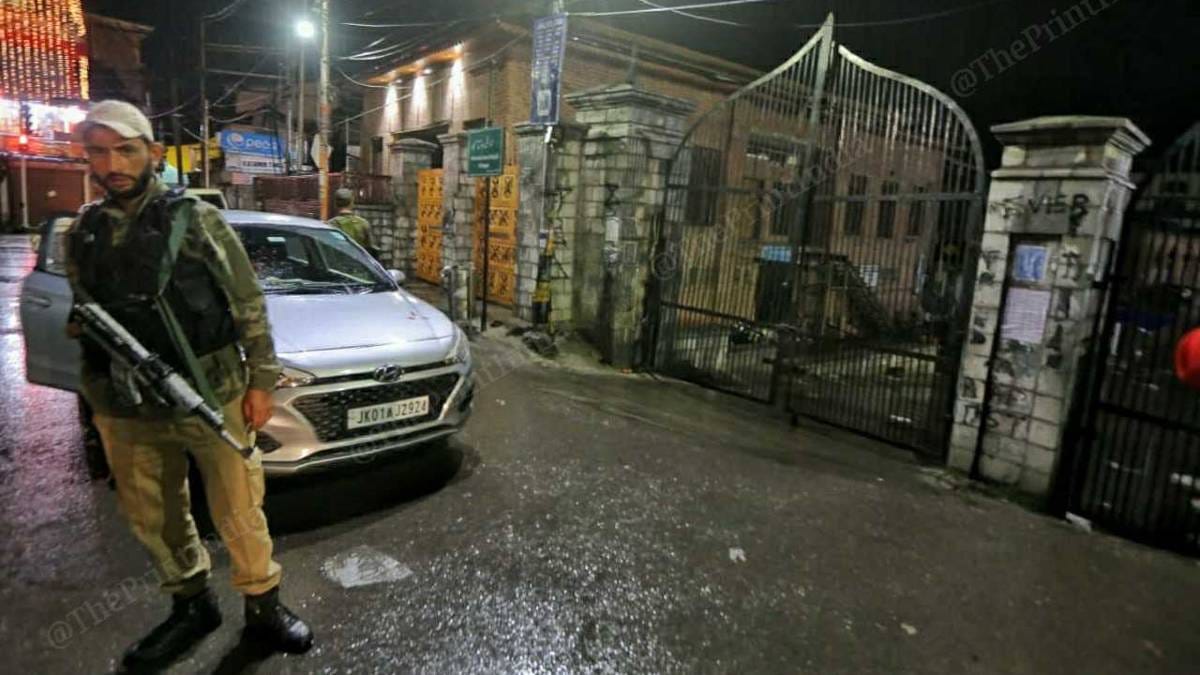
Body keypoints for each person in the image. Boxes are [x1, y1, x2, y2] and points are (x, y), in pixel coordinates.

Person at [64, 100, 313, 670]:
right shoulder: (83, 232)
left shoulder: (195, 219)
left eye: (126, 149)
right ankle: (191, 604)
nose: (113, 163)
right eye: (99, 151)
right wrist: (95, 404)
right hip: (126, 405)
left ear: (153, 154)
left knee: (239, 508)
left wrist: (261, 382)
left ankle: (263, 607)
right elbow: (82, 317)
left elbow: (247, 300)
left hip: (213, 389)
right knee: (153, 516)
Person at [327, 187, 377, 255]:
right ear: (351, 203)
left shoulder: (329, 225)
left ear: (335, 204)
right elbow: (372, 249)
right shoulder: (363, 223)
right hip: (358, 262)